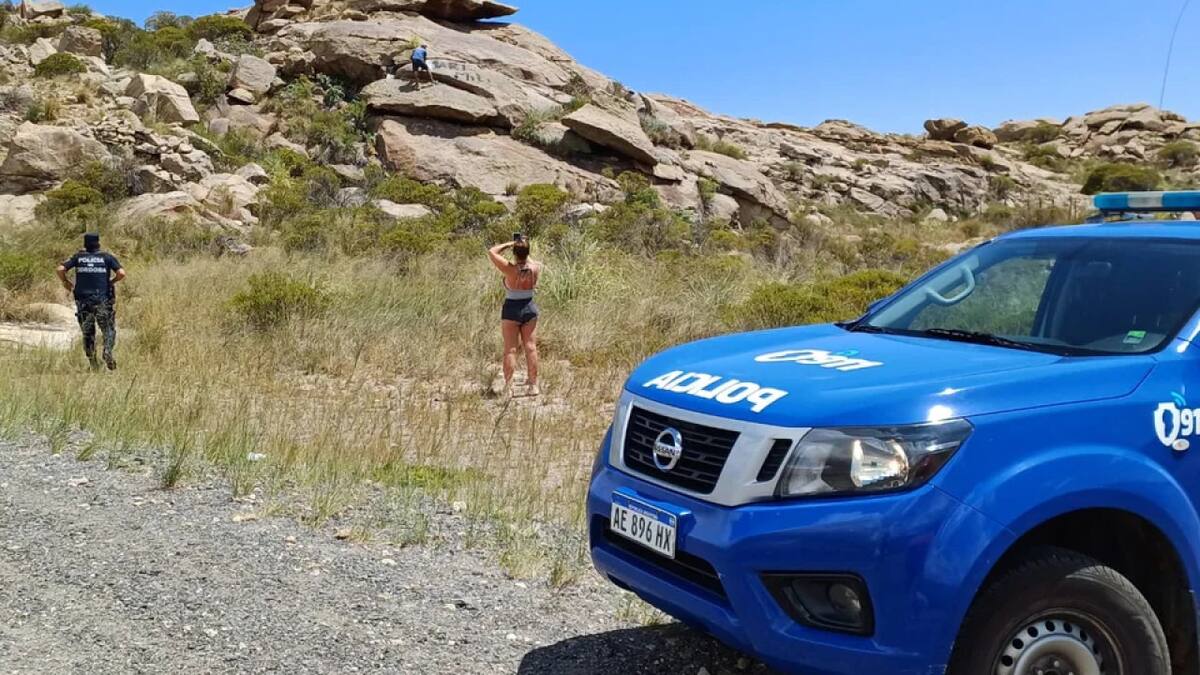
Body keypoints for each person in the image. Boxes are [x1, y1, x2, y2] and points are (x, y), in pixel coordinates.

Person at [56, 233, 125, 371]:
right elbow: (121, 273)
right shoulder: (107, 257)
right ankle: (107, 351)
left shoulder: (78, 257)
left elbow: (60, 269)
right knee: (108, 330)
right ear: (98, 243)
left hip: (83, 301)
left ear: (85, 244)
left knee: (88, 333)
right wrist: (111, 282)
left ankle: (93, 364)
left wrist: (65, 281)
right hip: (103, 300)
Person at [488, 235, 541, 397]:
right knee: (530, 347)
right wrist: (523, 245)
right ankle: (533, 385)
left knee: (510, 350)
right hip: (529, 306)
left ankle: (509, 387)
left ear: (514, 253)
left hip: (512, 308)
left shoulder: (510, 269)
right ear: (528, 252)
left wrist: (511, 243)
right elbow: (527, 260)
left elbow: (492, 251)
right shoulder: (535, 268)